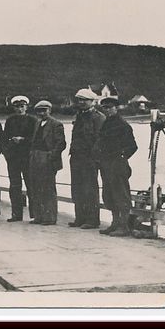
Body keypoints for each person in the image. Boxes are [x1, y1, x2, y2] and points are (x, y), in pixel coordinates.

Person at [98, 95, 138, 237]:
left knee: (121, 194)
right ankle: (114, 223)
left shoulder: (123, 125)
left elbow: (132, 146)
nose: (107, 110)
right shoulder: (106, 124)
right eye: (105, 108)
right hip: (106, 163)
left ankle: (124, 226)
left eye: (109, 107)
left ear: (116, 108)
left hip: (118, 164)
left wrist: (122, 157)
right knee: (109, 194)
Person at [68, 88, 106, 229]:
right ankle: (80, 217)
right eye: (80, 100)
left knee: (90, 188)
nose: (81, 102)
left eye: (85, 100)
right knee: (77, 188)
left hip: (89, 158)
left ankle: (92, 220)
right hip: (77, 157)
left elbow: (99, 139)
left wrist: (94, 158)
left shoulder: (98, 117)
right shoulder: (80, 116)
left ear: (92, 102)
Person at [28, 100, 66, 225]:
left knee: (48, 189)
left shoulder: (56, 124)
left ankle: (49, 217)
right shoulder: (37, 123)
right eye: (39, 111)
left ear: (49, 110)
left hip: (47, 158)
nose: (42, 113)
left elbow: (61, 143)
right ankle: (38, 216)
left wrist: (51, 156)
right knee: (36, 187)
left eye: (44, 110)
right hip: (35, 157)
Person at [2, 95, 37, 222]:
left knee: (31, 185)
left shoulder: (33, 120)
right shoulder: (10, 120)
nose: (19, 109)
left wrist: (23, 140)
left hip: (27, 157)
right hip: (13, 158)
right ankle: (16, 214)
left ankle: (35, 215)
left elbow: (35, 138)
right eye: (17, 107)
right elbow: (4, 138)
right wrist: (7, 153)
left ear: (26, 107)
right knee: (15, 186)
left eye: (22, 106)